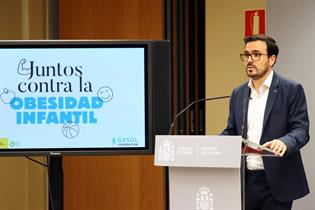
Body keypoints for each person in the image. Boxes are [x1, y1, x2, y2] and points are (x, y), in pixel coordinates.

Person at [221, 34, 310, 210]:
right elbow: (232, 131)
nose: (249, 60)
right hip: (244, 181)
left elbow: (301, 130)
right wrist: (212, 144)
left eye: (256, 54)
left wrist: (284, 141)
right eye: (246, 55)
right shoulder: (238, 93)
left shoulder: (291, 89)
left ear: (272, 59)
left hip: (276, 180)